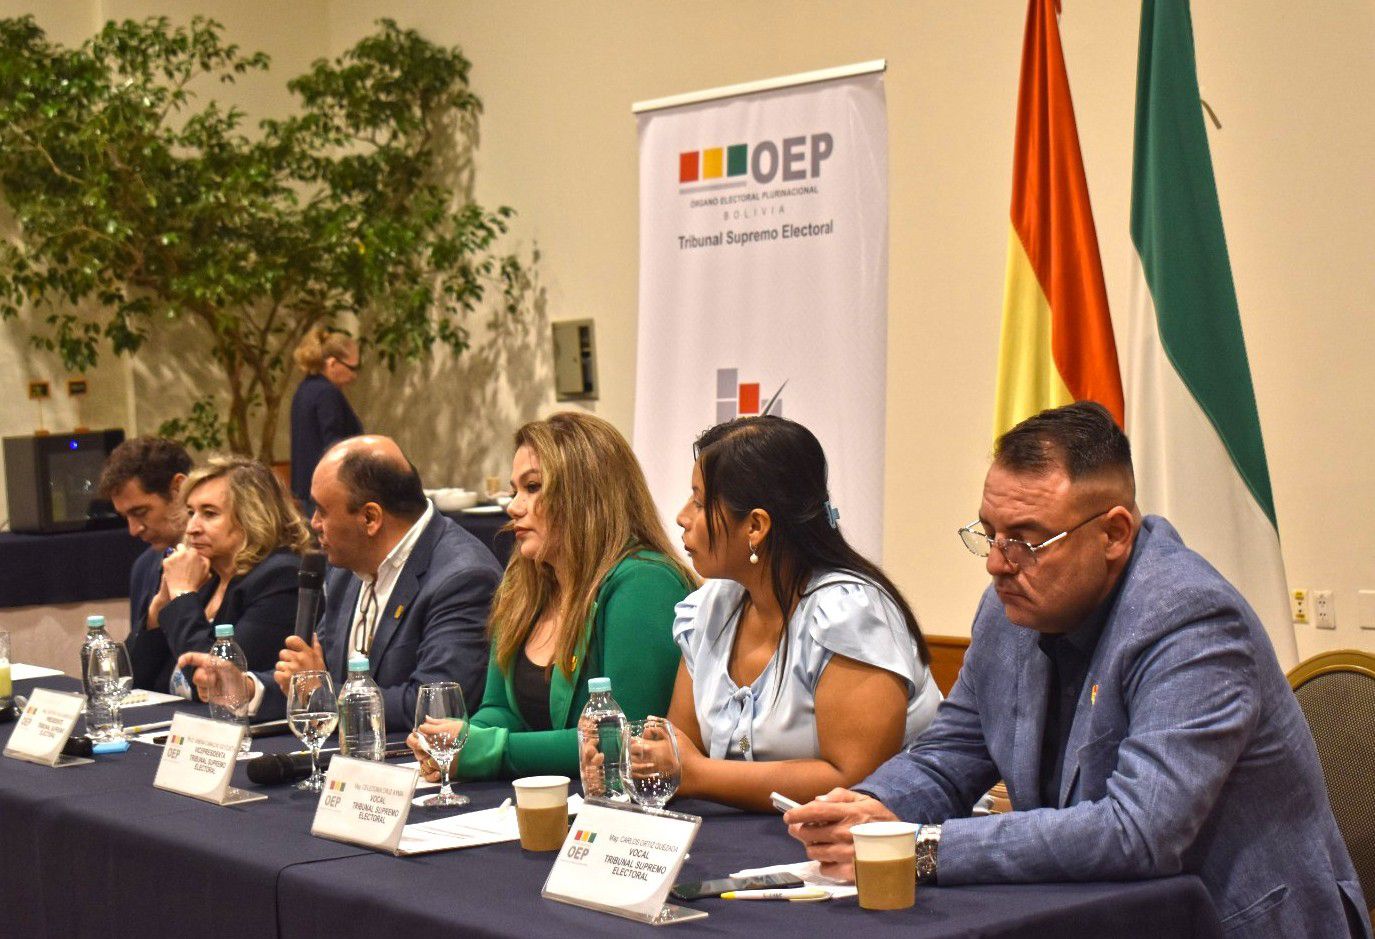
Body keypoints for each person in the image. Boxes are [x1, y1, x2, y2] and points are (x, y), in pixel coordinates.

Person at [787, 402, 1369, 938]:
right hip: (1094, 912)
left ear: (1113, 533)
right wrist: (866, 809)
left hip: (1228, 922)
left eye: (1026, 541)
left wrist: (922, 848)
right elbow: (950, 757)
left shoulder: (1191, 620)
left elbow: (1140, 831)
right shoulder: (1009, 610)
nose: (996, 564)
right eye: (990, 534)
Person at [665, 416, 940, 812]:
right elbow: (682, 744)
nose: (682, 517)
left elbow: (856, 780)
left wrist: (699, 775)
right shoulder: (710, 607)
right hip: (756, 831)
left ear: (755, 526)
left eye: (699, 501)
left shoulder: (849, 612)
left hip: (877, 837)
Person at [407, 412, 695, 782]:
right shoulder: (523, 581)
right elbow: (501, 710)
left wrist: (489, 751)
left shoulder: (644, 582)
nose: (513, 507)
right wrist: (456, 741)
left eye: (533, 488)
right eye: (515, 490)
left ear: (585, 495)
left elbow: (624, 738)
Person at [183, 435, 502, 730]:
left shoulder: (462, 578)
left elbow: (435, 706)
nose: (314, 523)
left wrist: (320, 692)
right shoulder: (347, 567)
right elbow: (315, 679)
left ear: (370, 518)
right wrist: (249, 688)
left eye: (322, 511)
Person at [140, 455, 310, 695]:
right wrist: (159, 607)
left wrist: (182, 594)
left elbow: (218, 682)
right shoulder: (206, 575)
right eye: (191, 513)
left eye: (209, 514)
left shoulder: (280, 577)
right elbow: (135, 679)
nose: (192, 528)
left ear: (252, 517)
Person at [97, 437, 192, 691]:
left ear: (179, 488)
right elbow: (131, 679)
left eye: (140, 512)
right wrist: (153, 618)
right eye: (125, 517)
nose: (133, 529)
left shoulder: (226, 564)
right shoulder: (145, 567)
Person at [290, 327, 363, 512]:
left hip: (307, 490)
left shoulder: (304, 389)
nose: (354, 376)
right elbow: (335, 446)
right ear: (333, 363)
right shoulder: (327, 394)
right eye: (352, 368)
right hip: (326, 494)